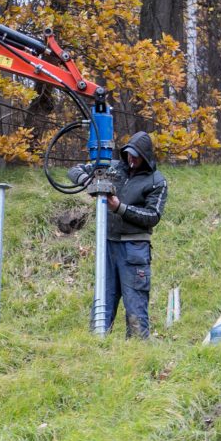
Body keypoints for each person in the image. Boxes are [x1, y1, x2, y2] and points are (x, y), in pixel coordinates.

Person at [68, 131, 168, 339]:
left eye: (136, 156)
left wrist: (120, 208)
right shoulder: (111, 168)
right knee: (102, 302)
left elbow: (152, 216)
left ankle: (137, 353)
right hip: (107, 245)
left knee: (136, 305)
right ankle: (97, 346)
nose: (131, 159)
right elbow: (74, 170)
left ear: (146, 156)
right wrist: (88, 182)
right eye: (129, 154)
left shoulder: (156, 181)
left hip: (134, 250)